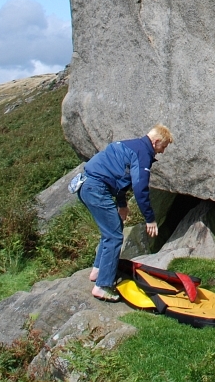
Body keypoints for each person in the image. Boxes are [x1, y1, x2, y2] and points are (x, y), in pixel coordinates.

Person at [75, 124, 173, 301]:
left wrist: (122, 204)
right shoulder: (143, 153)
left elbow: (119, 176)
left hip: (85, 185)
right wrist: (150, 219)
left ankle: (98, 270)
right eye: (163, 147)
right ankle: (102, 286)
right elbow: (140, 188)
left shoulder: (130, 145)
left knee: (112, 228)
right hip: (96, 188)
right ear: (156, 141)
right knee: (114, 236)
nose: (162, 152)